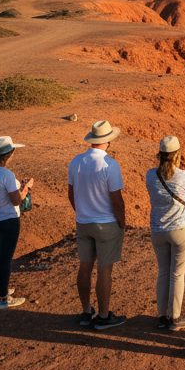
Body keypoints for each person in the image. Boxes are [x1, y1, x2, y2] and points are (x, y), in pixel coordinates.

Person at [68, 120, 127, 330]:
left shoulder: (76, 161)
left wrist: (83, 212)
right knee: (104, 271)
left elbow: (71, 194)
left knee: (85, 267)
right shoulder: (110, 165)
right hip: (106, 225)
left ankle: (86, 311)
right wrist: (122, 222)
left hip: (83, 223)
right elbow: (116, 200)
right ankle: (103, 316)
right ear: (108, 141)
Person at [145, 135, 185, 332]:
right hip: (180, 230)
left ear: (160, 154)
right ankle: (174, 318)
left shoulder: (150, 175)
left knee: (163, 271)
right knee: (177, 274)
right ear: (178, 154)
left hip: (158, 231)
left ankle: (162, 317)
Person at [0, 135, 32, 309]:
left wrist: (19, 189)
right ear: (10, 154)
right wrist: (25, 188)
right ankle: (3, 299)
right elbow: (17, 201)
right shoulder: (7, 174)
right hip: (8, 220)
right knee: (5, 259)